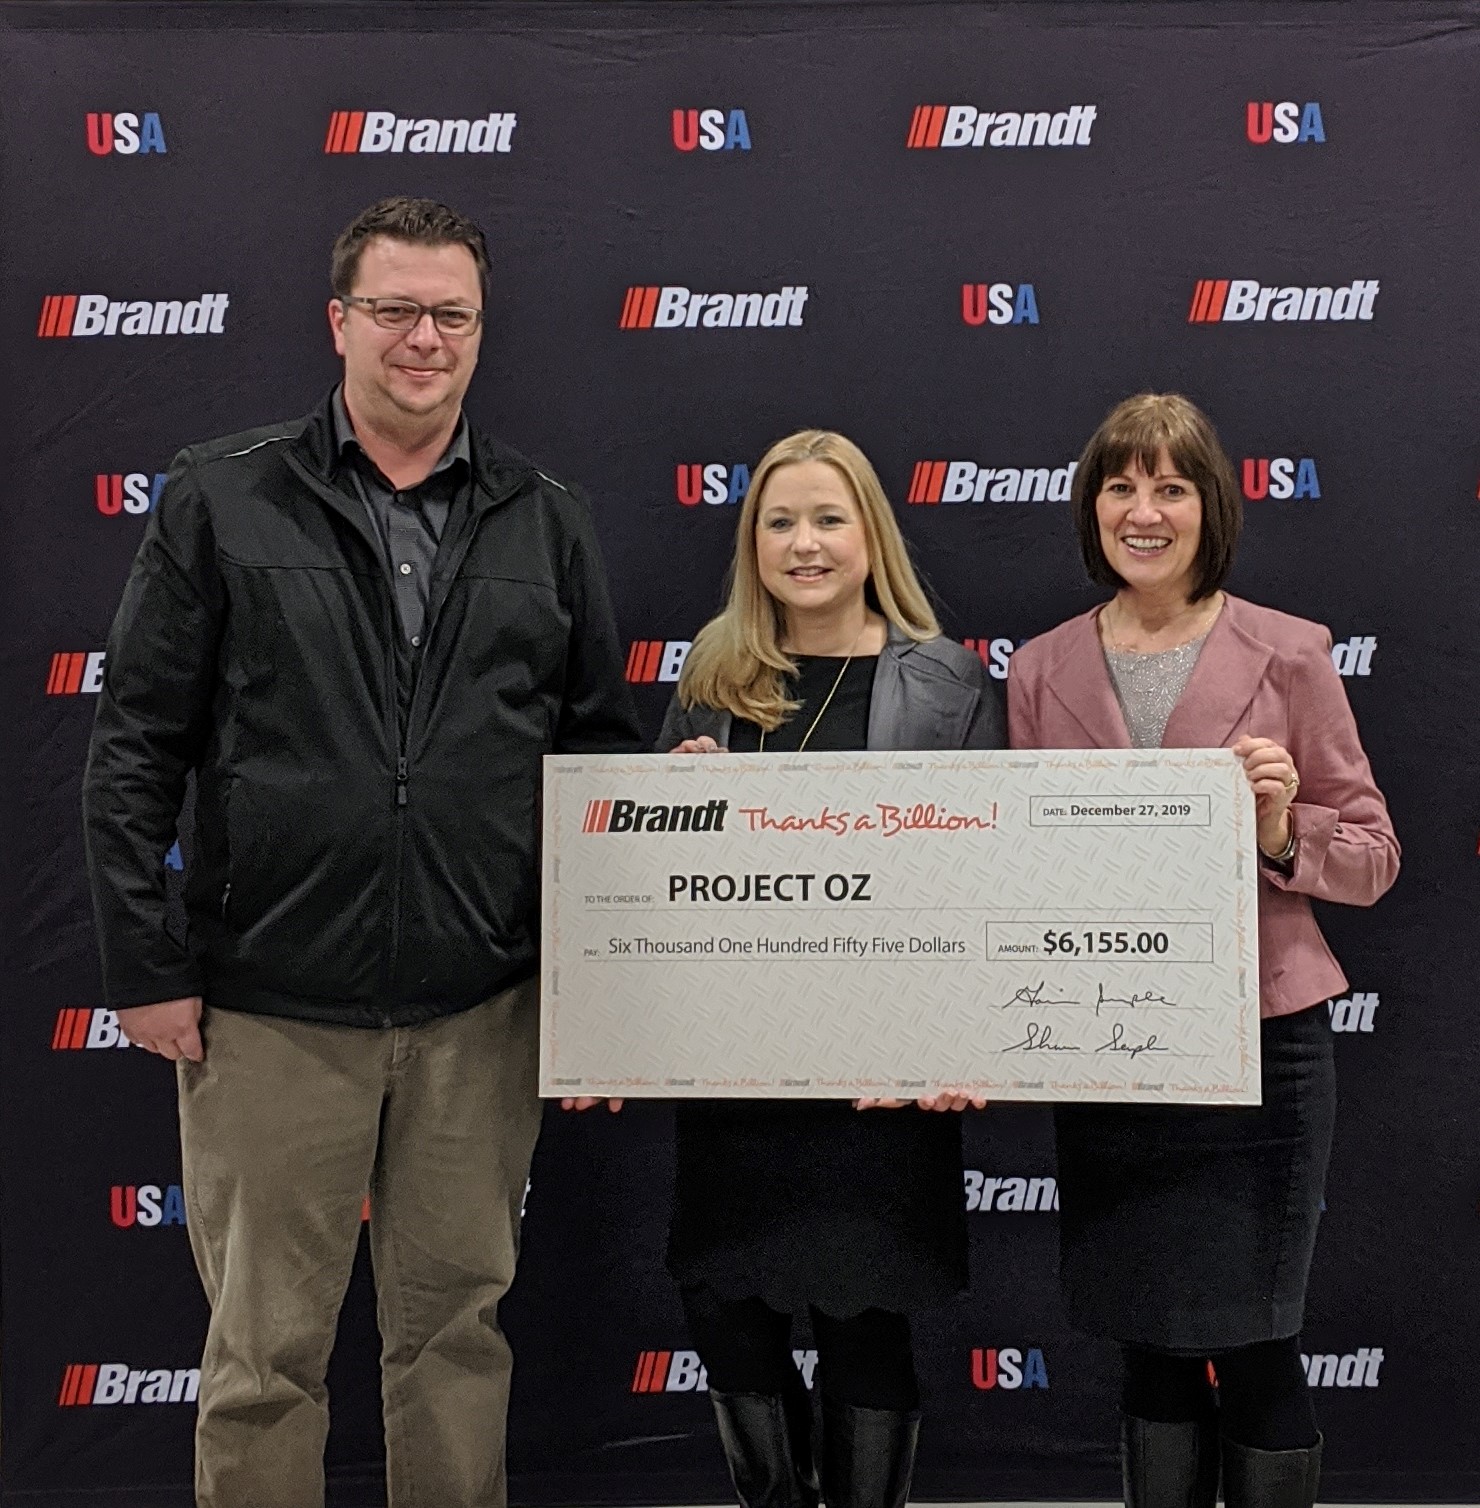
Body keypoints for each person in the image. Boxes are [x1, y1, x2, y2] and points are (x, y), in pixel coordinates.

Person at [81, 196, 641, 1508]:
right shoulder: (222, 497)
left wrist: (602, 995)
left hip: (480, 1012)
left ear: (481, 331)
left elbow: (595, 761)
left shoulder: (546, 517)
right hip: (270, 1010)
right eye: (394, 309)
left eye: (450, 314)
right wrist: (146, 965)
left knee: (456, 1339)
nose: (422, 338)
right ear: (338, 321)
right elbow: (134, 748)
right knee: (264, 1356)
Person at [1007, 394, 1399, 1508]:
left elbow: (1373, 856)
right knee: (1149, 1344)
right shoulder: (1037, 669)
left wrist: (1279, 831)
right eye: (1120, 487)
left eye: (1170, 487)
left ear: (1209, 506)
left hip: (1260, 1048)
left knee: (1260, 1345)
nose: (1144, 511)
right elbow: (1019, 869)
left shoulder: (1291, 652)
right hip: (1108, 1050)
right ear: (1091, 509)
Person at [644, 429, 999, 1508]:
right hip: (736, 1074)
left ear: (869, 535)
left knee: (864, 1328)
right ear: (752, 544)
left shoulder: (946, 680)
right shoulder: (712, 675)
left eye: (828, 519)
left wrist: (961, 1037)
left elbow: (989, 876)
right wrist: (674, 802)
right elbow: (652, 881)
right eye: (780, 522)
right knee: (727, 1318)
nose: (805, 543)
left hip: (878, 1086)